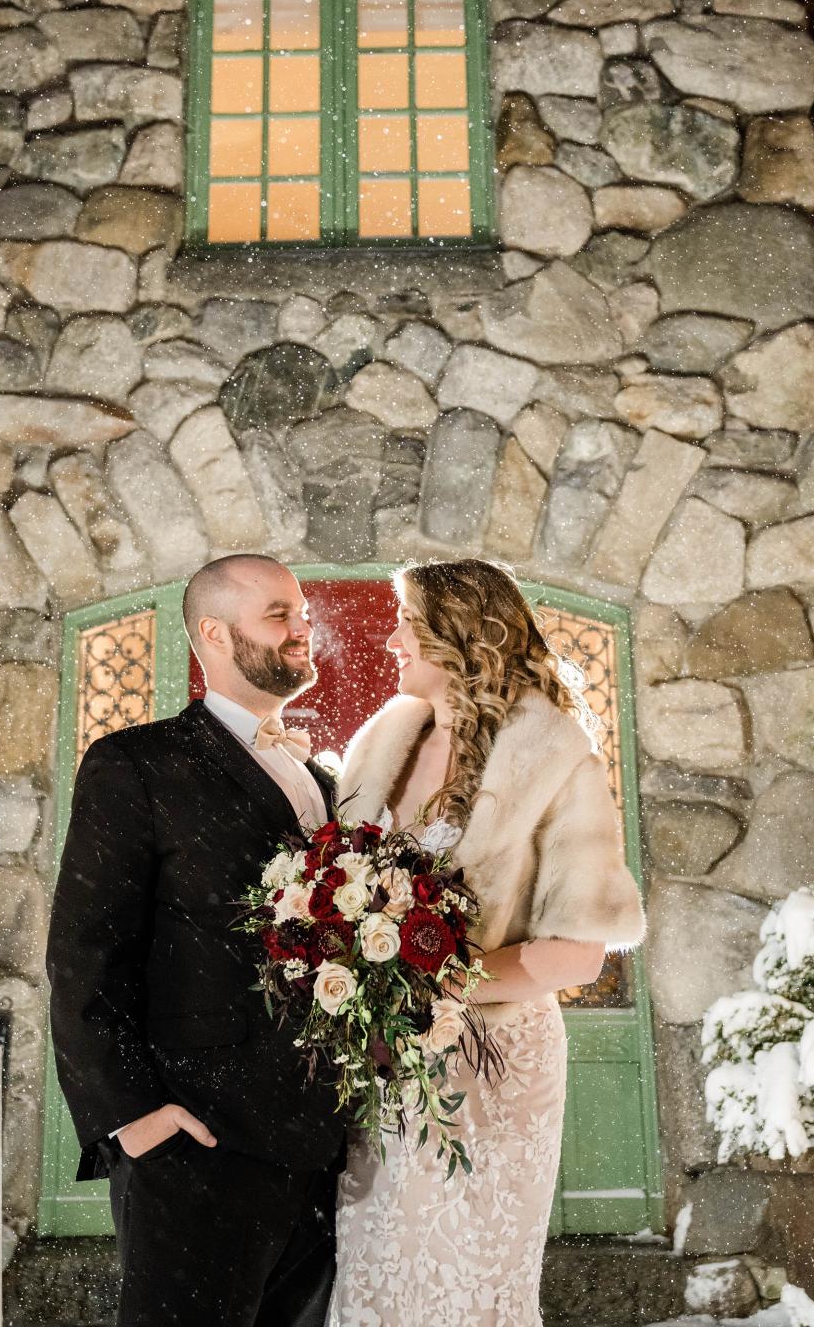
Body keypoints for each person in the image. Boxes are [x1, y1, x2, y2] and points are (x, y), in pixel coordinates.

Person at [327, 558, 646, 1327]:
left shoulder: (553, 754)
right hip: (384, 1065)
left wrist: (426, 989)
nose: (391, 638)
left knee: (466, 1278)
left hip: (495, 1068)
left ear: (459, 633)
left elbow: (578, 952)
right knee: (374, 1266)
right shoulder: (382, 740)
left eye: (408, 621)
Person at [47, 554, 346, 1327]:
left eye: (302, 614)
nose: (301, 629)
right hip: (196, 1140)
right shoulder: (137, 765)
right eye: (278, 614)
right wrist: (133, 1116)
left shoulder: (322, 780)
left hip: (318, 1150)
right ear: (213, 634)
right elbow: (85, 952)